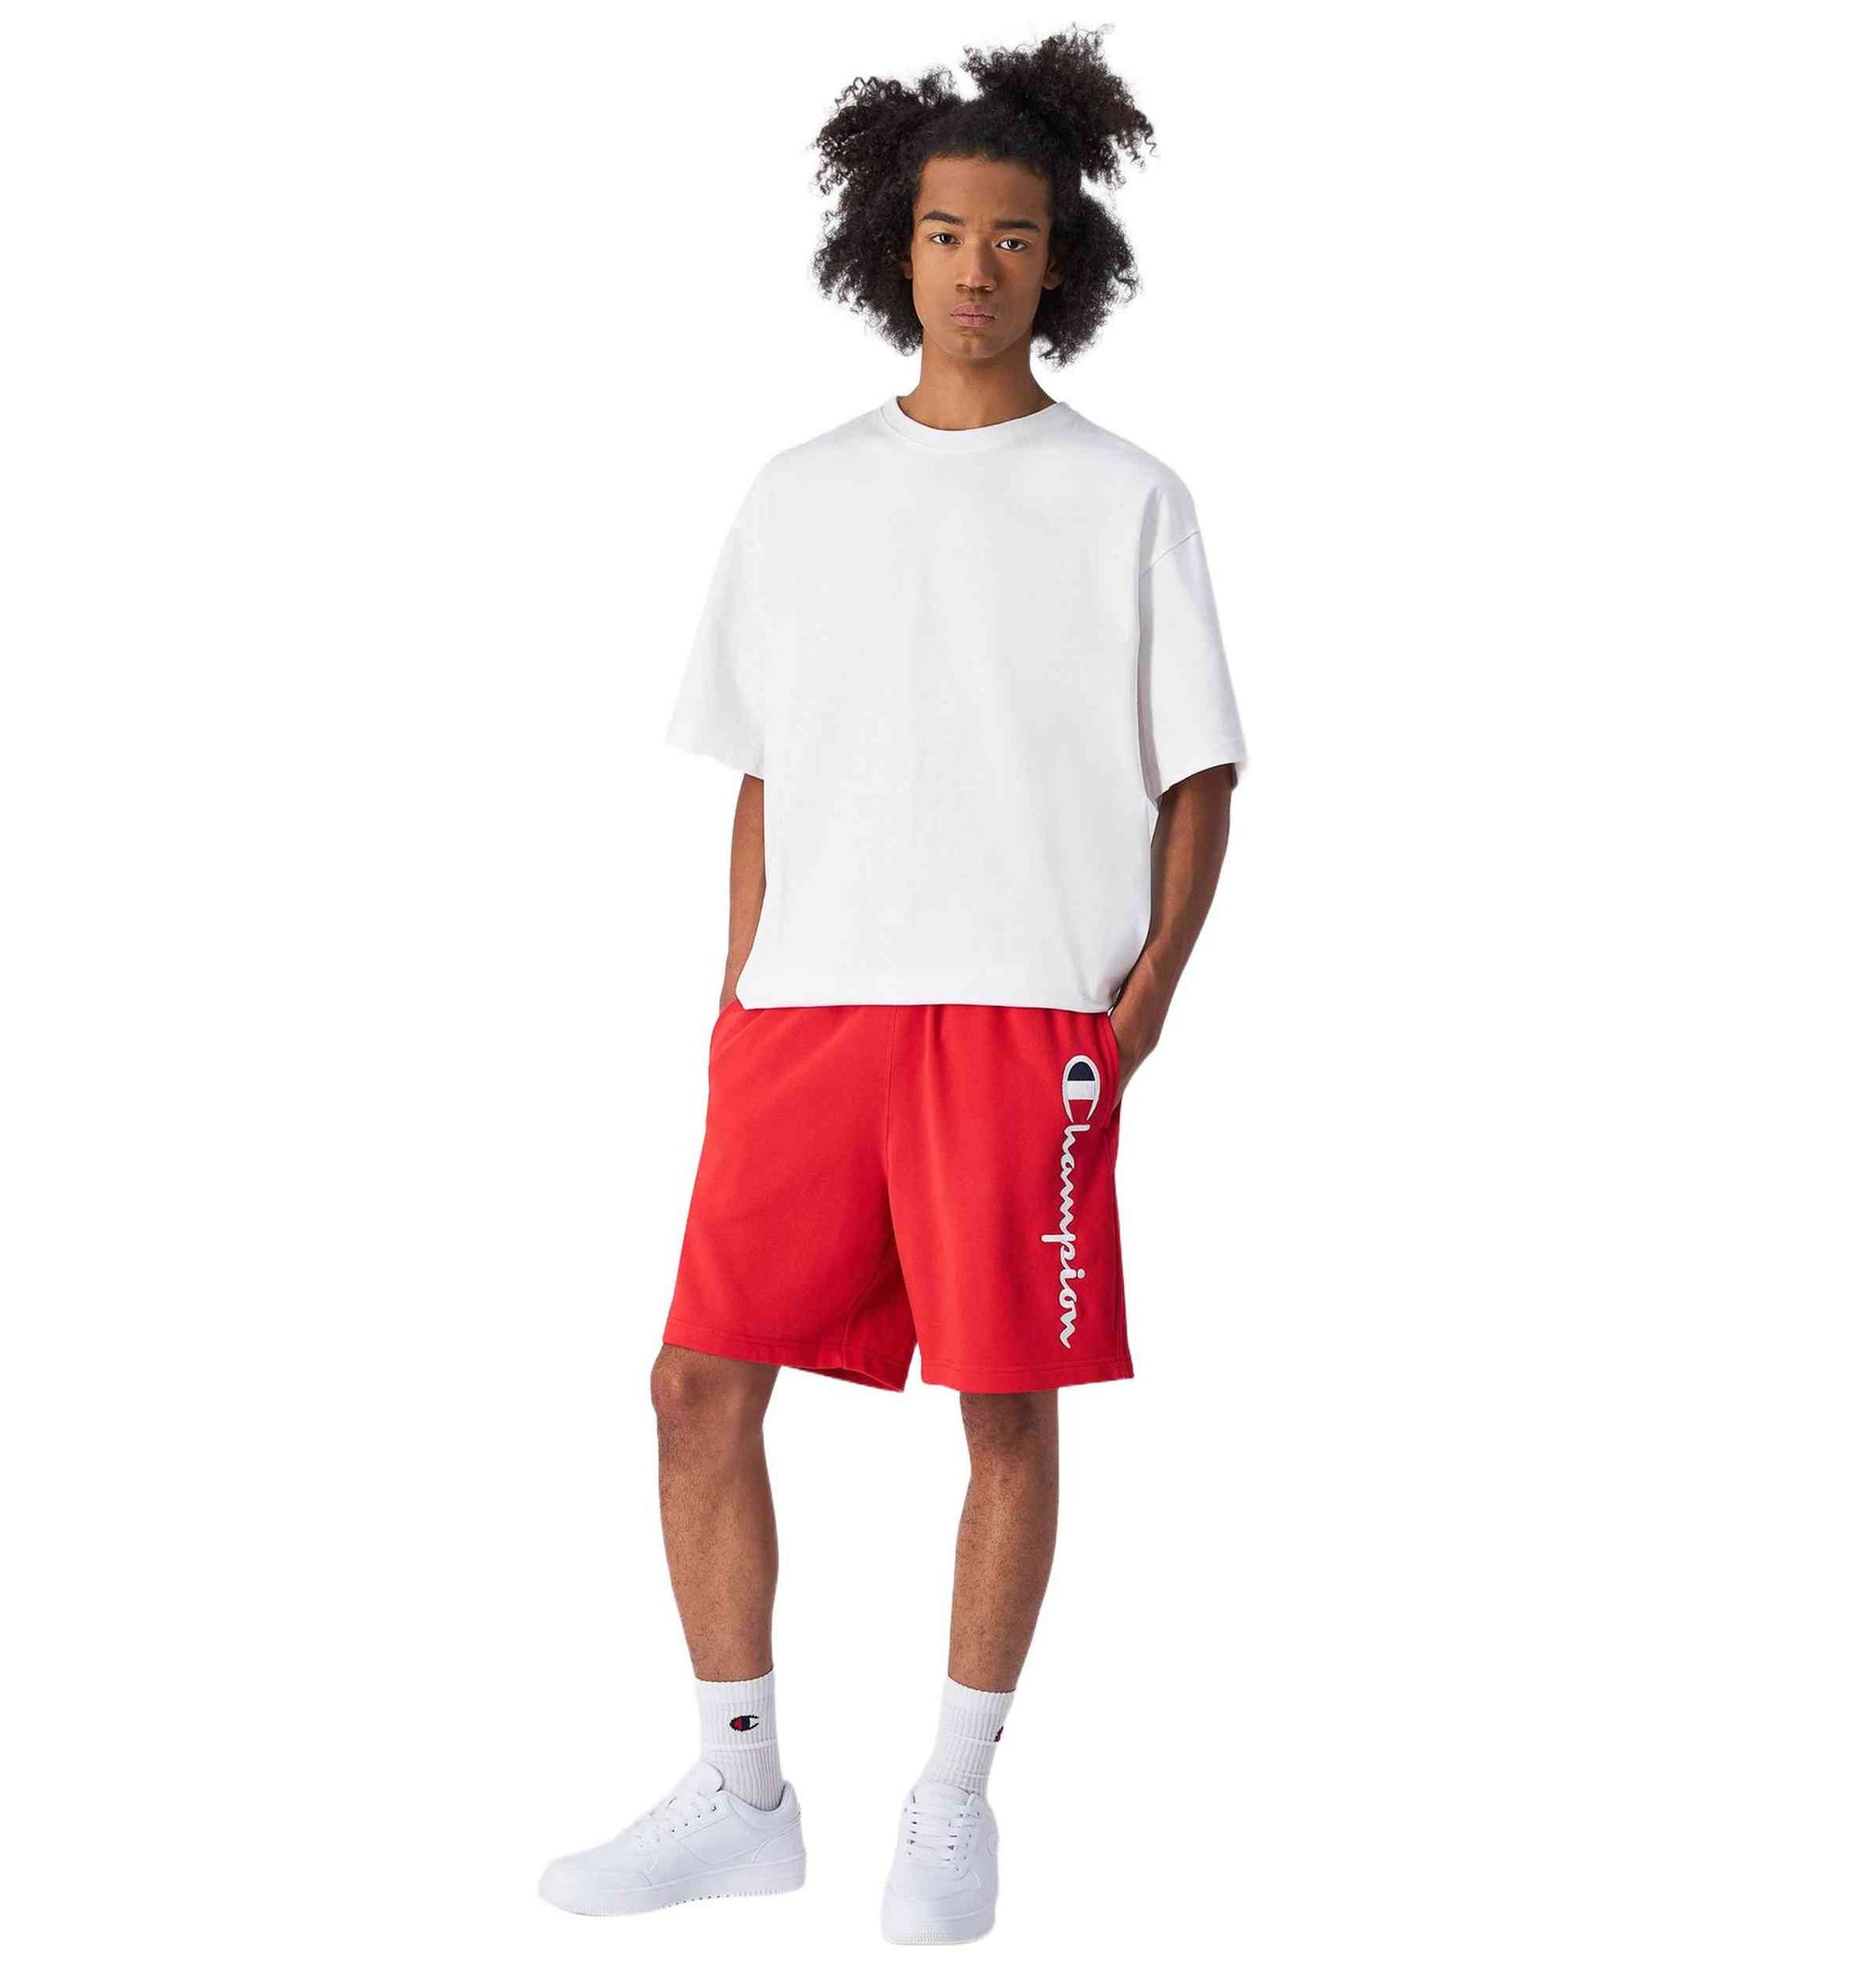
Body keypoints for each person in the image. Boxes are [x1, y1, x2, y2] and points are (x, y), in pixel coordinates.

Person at [539, 28, 1245, 1945]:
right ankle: (739, 1787)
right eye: (943, 233)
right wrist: (737, 994)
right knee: (694, 1382)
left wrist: (1144, 1004)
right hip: (808, 1011)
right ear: (893, 245)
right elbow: (765, 769)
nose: (973, 269)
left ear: (1060, 258)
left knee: (1003, 1405)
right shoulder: (798, 493)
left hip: (1023, 1012)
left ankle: (950, 1800)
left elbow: (1200, 774)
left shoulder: (1126, 496)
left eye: (1011, 236)